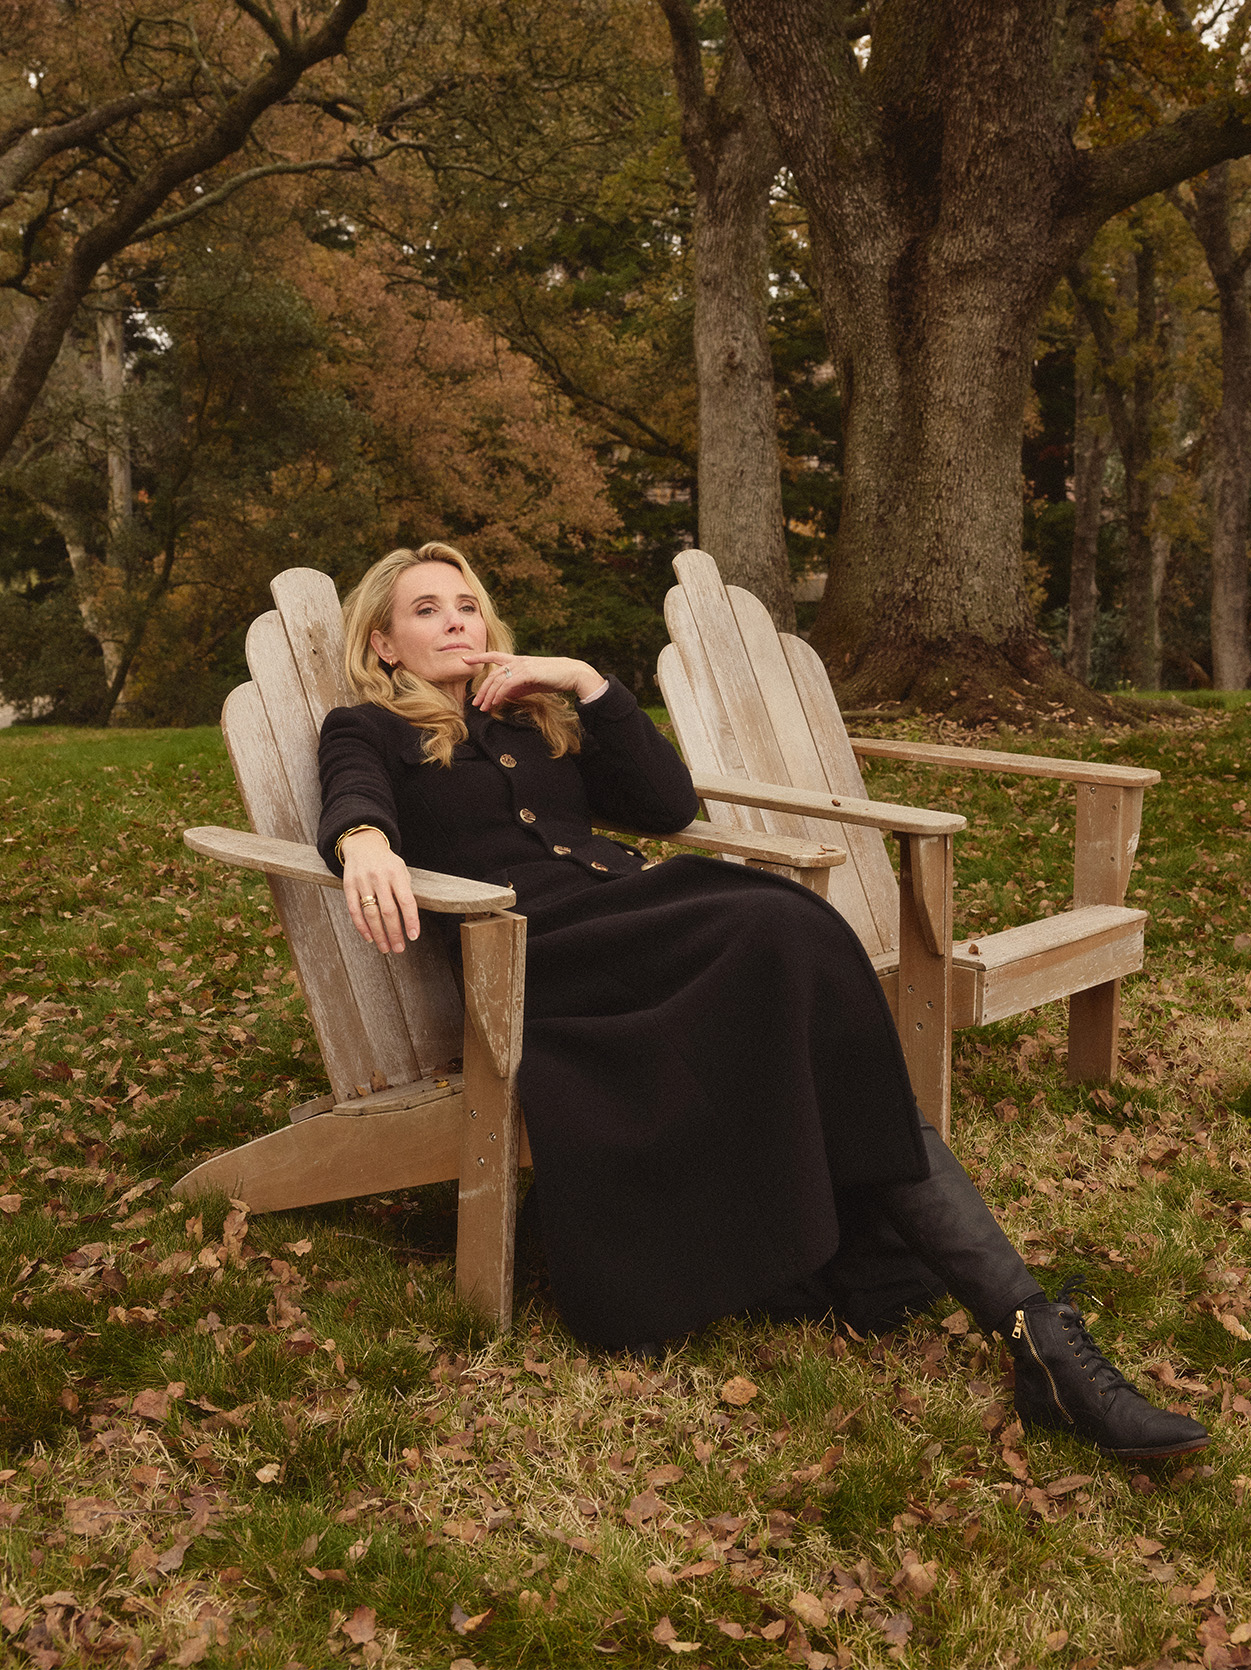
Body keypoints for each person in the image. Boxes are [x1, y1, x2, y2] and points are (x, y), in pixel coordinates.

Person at [317, 542, 1208, 1463]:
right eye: (426, 610)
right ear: (384, 643)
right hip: (542, 958)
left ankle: (1034, 1334)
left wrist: (585, 682)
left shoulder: (537, 716)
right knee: (783, 926)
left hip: (637, 921)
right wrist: (366, 842)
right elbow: (350, 795)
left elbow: (661, 805)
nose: (456, 619)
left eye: (466, 604)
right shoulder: (367, 728)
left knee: (792, 934)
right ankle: (946, 1294)